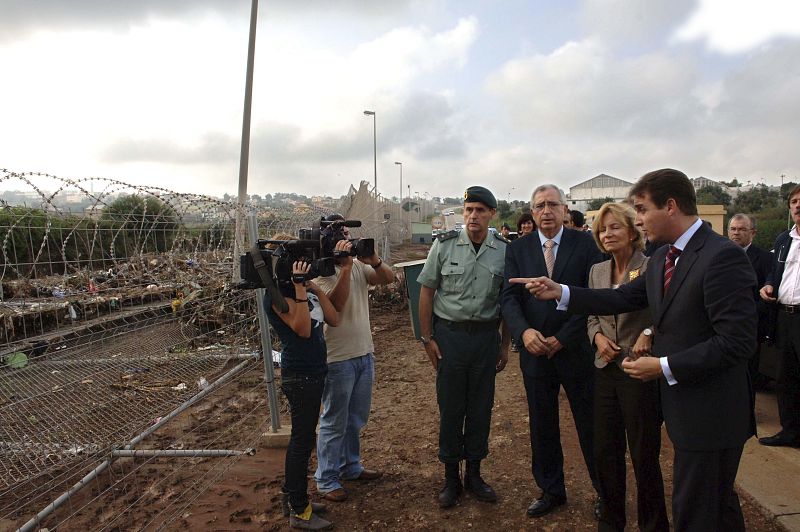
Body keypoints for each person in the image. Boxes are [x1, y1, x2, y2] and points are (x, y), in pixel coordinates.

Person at [518, 169, 757, 531]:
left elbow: (736, 342)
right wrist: (562, 292)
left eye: (642, 209)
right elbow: (623, 297)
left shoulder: (721, 256)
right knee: (715, 509)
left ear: (671, 206)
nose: (639, 219)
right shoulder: (666, 258)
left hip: (713, 414)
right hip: (686, 410)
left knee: (699, 512)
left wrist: (662, 366)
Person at [501, 184, 603, 519]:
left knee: (590, 425)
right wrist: (524, 332)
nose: (546, 211)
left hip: (575, 350)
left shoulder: (585, 245)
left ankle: (605, 490)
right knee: (542, 425)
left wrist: (565, 337)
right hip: (535, 351)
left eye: (552, 205)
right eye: (539, 206)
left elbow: (593, 297)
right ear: (531, 212)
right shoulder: (518, 249)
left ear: (564, 209)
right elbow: (509, 298)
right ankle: (551, 489)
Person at [417, 186, 511, 508]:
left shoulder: (503, 250)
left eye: (480, 211)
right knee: (451, 408)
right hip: (451, 338)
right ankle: (450, 478)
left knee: (481, 408)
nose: (473, 216)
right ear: (463, 212)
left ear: (491, 215)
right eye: (469, 209)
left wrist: (505, 344)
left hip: (486, 338)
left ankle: (474, 474)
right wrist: (427, 338)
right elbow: (427, 292)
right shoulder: (443, 247)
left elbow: (507, 301)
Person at [586, 203, 668, 532]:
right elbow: (591, 313)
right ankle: (612, 519)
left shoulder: (652, 266)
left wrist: (649, 333)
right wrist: (596, 338)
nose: (608, 234)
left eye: (615, 227)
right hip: (605, 370)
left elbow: (670, 313)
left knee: (644, 454)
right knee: (606, 451)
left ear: (632, 232)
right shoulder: (596, 272)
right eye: (603, 229)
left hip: (638, 371)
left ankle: (653, 524)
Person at [313, 214, 395, 502]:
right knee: (334, 420)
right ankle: (326, 478)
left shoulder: (359, 266)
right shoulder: (318, 273)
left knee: (355, 419)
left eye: (348, 235)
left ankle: (351, 467)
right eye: (341, 236)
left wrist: (373, 260)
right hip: (336, 358)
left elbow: (389, 278)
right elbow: (334, 307)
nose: (347, 241)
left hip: (363, 353)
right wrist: (345, 269)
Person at [267, 259, 339, 530]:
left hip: (315, 371)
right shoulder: (275, 296)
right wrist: (298, 287)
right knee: (301, 441)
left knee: (304, 439)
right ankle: (299, 510)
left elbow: (334, 319)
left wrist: (314, 289)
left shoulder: (305, 291)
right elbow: (303, 329)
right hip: (300, 375)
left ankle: (293, 496)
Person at [758, 184, 800, 448]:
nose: (797, 205)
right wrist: (768, 285)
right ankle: (790, 432)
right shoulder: (783, 240)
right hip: (785, 317)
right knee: (786, 378)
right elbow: (774, 272)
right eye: (794, 201)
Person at [728, 213, 773, 391]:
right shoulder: (717, 256)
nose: (736, 233)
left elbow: (769, 294)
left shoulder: (765, 258)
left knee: (747, 376)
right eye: (733, 229)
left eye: (741, 229)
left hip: (751, 327)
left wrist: (746, 315)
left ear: (752, 233)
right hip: (721, 325)